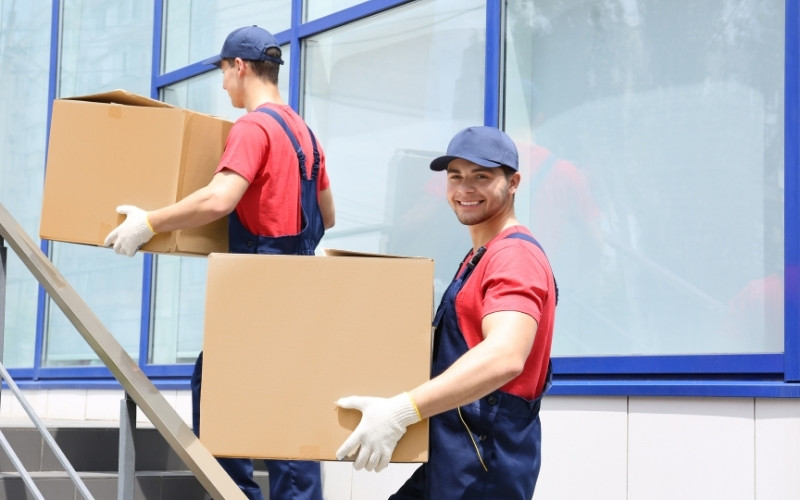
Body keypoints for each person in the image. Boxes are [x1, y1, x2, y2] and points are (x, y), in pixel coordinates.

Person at [103, 25, 334, 500]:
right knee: (287, 403)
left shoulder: (253, 127)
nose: (224, 83)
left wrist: (150, 222)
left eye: (224, 73)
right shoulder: (304, 134)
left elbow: (218, 199)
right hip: (301, 285)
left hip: (258, 287)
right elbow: (327, 216)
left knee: (223, 395)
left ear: (240, 67)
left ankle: (235, 494)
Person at [335, 126, 556, 499]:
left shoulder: (513, 257)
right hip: (453, 459)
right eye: (455, 177)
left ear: (513, 182)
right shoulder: (480, 255)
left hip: (482, 469)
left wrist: (401, 411)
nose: (464, 189)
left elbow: (505, 355)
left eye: (481, 177)